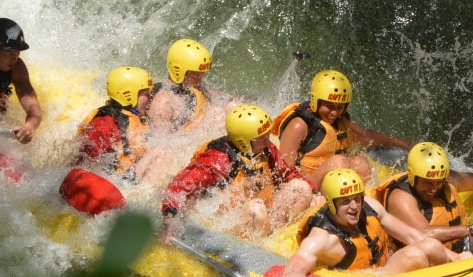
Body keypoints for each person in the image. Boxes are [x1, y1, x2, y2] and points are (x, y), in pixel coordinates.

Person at [279, 168, 464, 277]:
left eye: (357, 199)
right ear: (331, 204)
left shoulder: (370, 206)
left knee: (430, 245)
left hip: (384, 270)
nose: (354, 207)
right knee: (416, 256)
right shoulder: (321, 238)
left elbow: (412, 235)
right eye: (345, 202)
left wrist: (457, 258)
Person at [160, 104, 317, 240]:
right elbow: (180, 187)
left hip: (264, 212)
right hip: (234, 222)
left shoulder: (266, 149)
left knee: (301, 187)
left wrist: (314, 192)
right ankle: (258, 247)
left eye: (268, 135)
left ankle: (273, 236)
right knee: (257, 209)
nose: (268, 141)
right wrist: (170, 218)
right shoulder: (218, 160)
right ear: (244, 141)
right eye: (262, 138)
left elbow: (287, 173)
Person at [272, 69, 414, 187]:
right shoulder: (299, 125)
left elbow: (367, 136)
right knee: (338, 162)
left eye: (340, 107)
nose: (334, 112)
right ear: (316, 101)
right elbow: (283, 172)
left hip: (337, 184)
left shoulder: (341, 122)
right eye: (329, 106)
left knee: (361, 163)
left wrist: (405, 144)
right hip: (308, 185)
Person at [59, 66, 157, 216]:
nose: (150, 99)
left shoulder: (137, 117)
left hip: (129, 179)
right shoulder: (105, 123)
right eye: (145, 94)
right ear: (127, 95)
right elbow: (85, 160)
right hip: (117, 182)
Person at [147, 38, 234, 134]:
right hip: (185, 142)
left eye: (202, 73)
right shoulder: (163, 102)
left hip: (199, 132)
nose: (201, 77)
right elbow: (161, 141)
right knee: (217, 113)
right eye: (195, 74)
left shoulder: (191, 87)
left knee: (233, 106)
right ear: (179, 71)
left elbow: (216, 95)